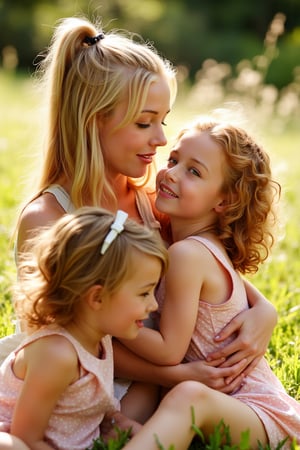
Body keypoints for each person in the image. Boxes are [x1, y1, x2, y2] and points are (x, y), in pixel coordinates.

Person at [1, 15, 277, 414]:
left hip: (151, 382)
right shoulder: (49, 218)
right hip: (77, 383)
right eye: (145, 122)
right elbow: (61, 341)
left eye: (162, 121)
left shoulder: (151, 198)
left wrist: (264, 310)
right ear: (92, 120)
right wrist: (172, 376)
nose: (162, 139)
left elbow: (203, 261)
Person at [120, 116, 300, 448]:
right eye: (173, 160)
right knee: (127, 409)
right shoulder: (198, 247)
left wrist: (111, 320)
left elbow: (169, 351)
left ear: (224, 201)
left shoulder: (189, 254)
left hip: (257, 414)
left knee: (188, 396)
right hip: (228, 405)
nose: (171, 173)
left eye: (194, 172)